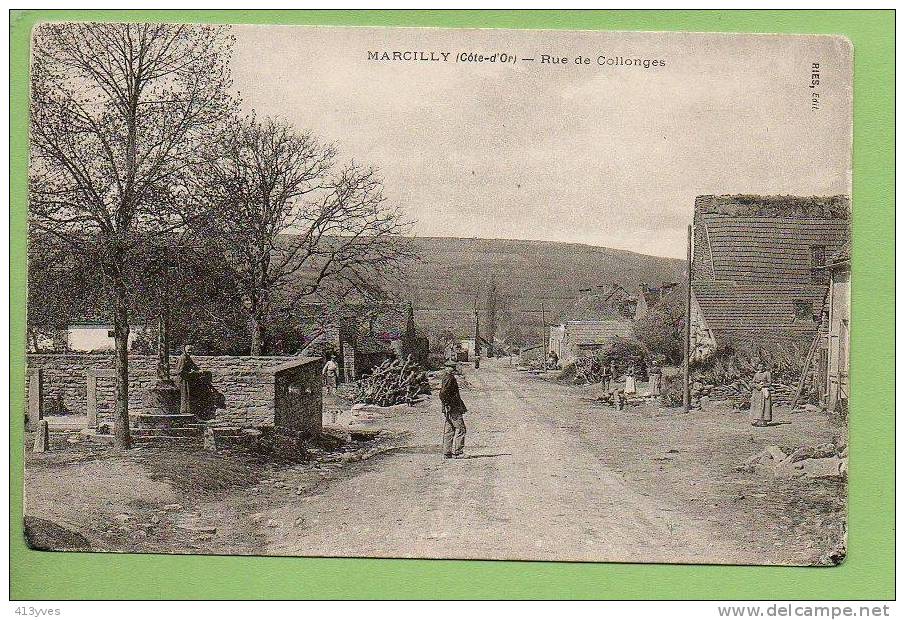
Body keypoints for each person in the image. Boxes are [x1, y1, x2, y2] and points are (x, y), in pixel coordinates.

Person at [439, 361, 467, 459]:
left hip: (450, 408)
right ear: (447, 368)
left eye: (452, 367)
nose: (452, 369)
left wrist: (446, 405)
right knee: (461, 429)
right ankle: (458, 452)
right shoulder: (449, 378)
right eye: (450, 367)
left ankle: (447, 453)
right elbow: (442, 393)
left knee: (449, 430)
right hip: (453, 408)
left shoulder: (446, 377)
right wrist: (447, 404)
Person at [174, 344, 199, 416]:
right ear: (184, 350)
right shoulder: (182, 358)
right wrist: (190, 373)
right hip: (182, 380)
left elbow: (194, 366)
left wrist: (199, 371)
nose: (190, 352)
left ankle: (186, 411)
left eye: (191, 350)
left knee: (187, 394)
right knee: (183, 394)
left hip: (186, 379)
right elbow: (179, 371)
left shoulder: (188, 358)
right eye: (188, 350)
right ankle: (183, 412)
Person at [750, 362, 773, 427]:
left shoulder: (767, 373)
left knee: (765, 406)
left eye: (762, 366)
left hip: (764, 391)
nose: (760, 368)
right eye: (759, 366)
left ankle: (764, 421)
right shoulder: (756, 374)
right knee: (757, 406)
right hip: (757, 392)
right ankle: (758, 421)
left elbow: (769, 383)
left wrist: (763, 385)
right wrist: (757, 385)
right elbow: (752, 383)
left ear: (764, 367)